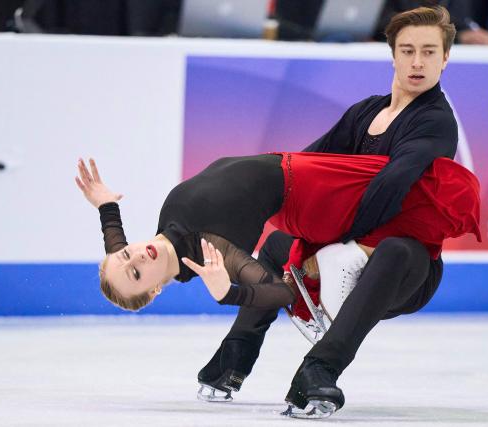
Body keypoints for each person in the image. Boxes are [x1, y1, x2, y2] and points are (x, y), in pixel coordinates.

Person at [198, 6, 467, 418]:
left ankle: (320, 368)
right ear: (392, 54)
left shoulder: (435, 122)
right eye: (408, 50)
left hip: (405, 270)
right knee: (276, 245)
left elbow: (391, 186)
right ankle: (234, 357)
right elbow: (307, 166)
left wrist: (332, 248)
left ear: (445, 58)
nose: (417, 62)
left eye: (429, 52)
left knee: (396, 248)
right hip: (345, 248)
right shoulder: (365, 112)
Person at [76, 152, 479, 312]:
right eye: (134, 273)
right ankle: (344, 266)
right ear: (154, 291)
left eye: (125, 254)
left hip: (299, 167)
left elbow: (117, 251)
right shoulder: (209, 252)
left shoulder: (165, 227)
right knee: (417, 195)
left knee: (399, 192)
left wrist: (107, 206)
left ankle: (346, 261)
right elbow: (279, 292)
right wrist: (226, 293)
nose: (133, 258)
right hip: (308, 189)